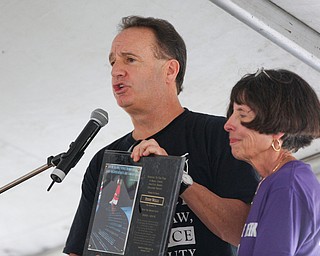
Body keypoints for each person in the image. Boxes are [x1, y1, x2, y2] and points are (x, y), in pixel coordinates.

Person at [63, 15, 259, 256]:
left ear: (170, 70)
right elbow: (81, 250)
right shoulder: (104, 160)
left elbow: (243, 231)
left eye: (130, 60)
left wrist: (177, 178)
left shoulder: (220, 134)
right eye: (113, 62)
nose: (116, 71)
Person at [223, 68, 320, 255]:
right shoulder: (275, 180)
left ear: (277, 129)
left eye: (242, 115)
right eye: (232, 114)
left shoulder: (287, 185)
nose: (228, 125)